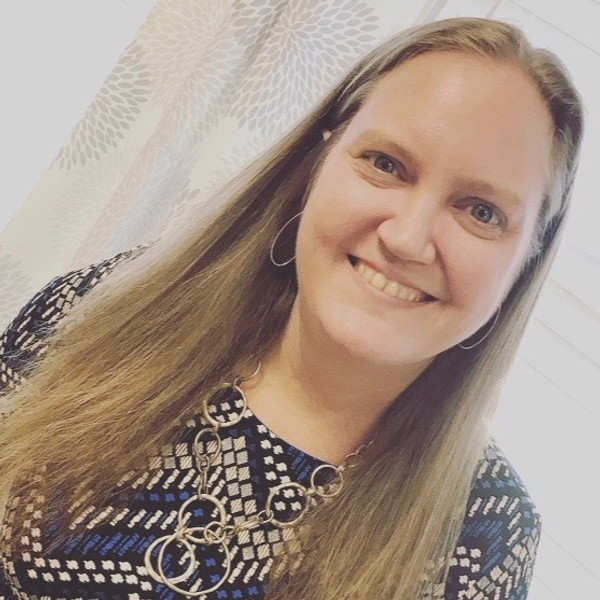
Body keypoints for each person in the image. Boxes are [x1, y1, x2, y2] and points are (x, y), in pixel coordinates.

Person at [0, 16, 583, 600]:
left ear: (526, 258)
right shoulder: (100, 310)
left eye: (481, 211)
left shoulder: (487, 538)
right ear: (319, 160)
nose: (407, 239)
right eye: (386, 164)